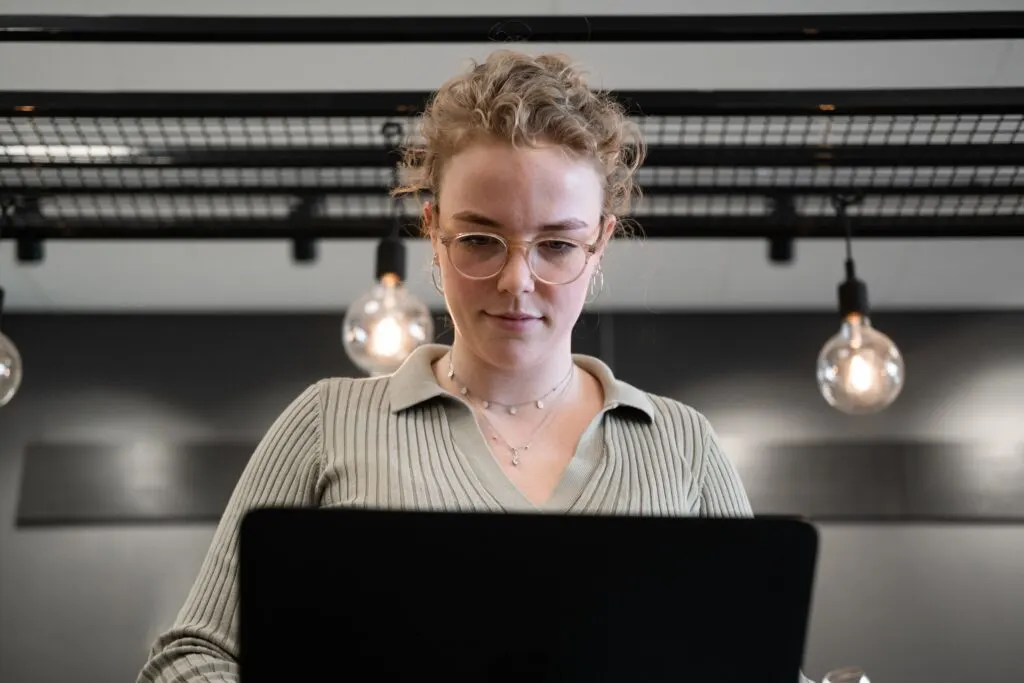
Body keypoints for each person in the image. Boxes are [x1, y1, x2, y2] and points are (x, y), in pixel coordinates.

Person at [136, 50, 760, 683]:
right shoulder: (329, 422)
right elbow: (191, 658)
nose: (518, 281)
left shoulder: (682, 445)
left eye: (558, 245)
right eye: (482, 240)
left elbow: (761, 664)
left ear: (599, 243)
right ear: (433, 231)